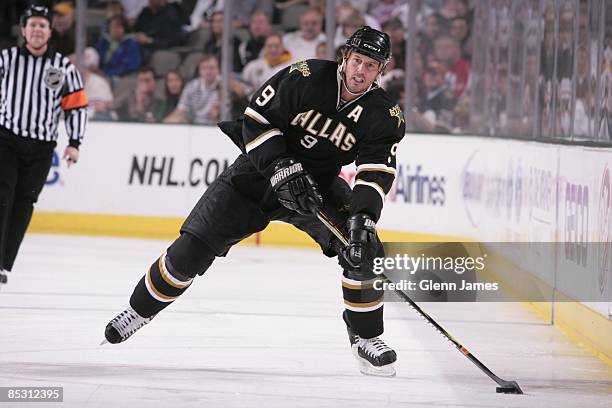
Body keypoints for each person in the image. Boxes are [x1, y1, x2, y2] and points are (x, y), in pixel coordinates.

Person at [103, 26, 404, 377]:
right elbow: (256, 120)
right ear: (345, 58)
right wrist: (280, 167)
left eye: (370, 66)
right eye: (357, 61)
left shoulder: (384, 114)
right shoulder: (305, 76)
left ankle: (366, 337)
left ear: (380, 71)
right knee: (191, 251)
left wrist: (363, 217)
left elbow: (375, 169)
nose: (360, 71)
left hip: (316, 187)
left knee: (363, 247)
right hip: (257, 175)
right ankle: (138, 310)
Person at [0, 5, 88, 289]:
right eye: (32, 24)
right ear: (23, 29)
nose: (37, 29)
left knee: (25, 203)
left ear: (50, 31)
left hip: (40, 147)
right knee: (2, 197)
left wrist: (74, 142)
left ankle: (4, 263)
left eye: (42, 25)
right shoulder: (6, 59)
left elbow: (76, 107)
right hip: (6, 139)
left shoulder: (63, 68)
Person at [163, 54, 220, 125]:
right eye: (204, 68)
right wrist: (162, 124)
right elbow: (180, 111)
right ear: (199, 70)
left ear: (218, 69)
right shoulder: (191, 86)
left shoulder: (227, 85)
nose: (208, 72)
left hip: (218, 128)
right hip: (196, 127)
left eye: (211, 68)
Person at [241, 33, 292, 99]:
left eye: (277, 46)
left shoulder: (291, 67)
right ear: (264, 48)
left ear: (283, 47)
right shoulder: (252, 66)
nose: (273, 50)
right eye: (270, 46)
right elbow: (243, 86)